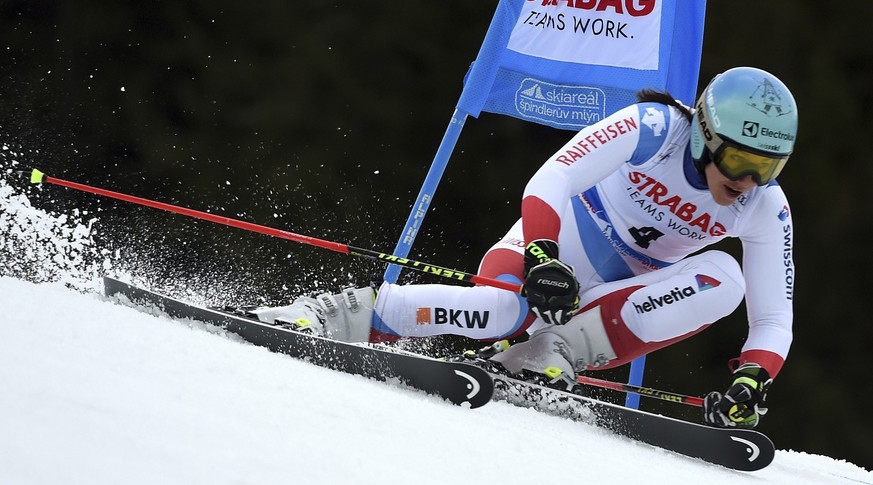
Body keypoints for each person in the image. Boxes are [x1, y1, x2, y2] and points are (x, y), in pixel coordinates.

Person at [251, 66, 797, 430]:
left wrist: (754, 377)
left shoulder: (764, 206)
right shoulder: (654, 128)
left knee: (726, 278)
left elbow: (774, 316)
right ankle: (334, 313)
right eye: (739, 161)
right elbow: (551, 178)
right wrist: (543, 255)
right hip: (549, 253)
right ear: (704, 133)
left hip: (606, 304)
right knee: (500, 310)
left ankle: (547, 355)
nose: (749, 180)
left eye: (767, 167)